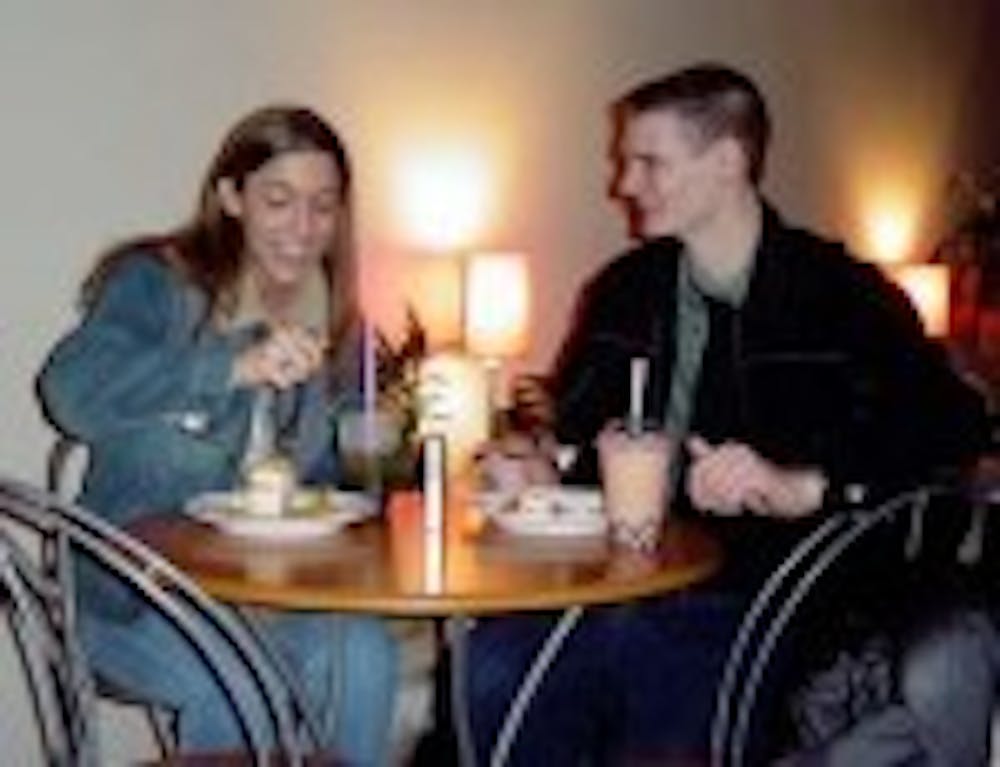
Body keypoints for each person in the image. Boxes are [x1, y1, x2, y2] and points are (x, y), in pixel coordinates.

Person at [467, 64, 991, 765]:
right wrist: (539, 463)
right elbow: (575, 430)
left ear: (727, 162)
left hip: (761, 587)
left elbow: (954, 423)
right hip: (617, 574)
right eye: (626, 162)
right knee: (492, 656)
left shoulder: (840, 294)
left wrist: (806, 483)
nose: (625, 184)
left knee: (651, 656)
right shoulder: (624, 290)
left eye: (649, 162)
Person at [37, 105, 397, 763]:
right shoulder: (157, 283)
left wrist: (404, 446)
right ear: (232, 197)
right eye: (279, 201)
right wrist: (232, 366)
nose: (303, 228)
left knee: (365, 651)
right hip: (132, 593)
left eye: (323, 205)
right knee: (236, 676)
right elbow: (71, 390)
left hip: (273, 591)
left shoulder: (343, 327)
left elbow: (348, 482)